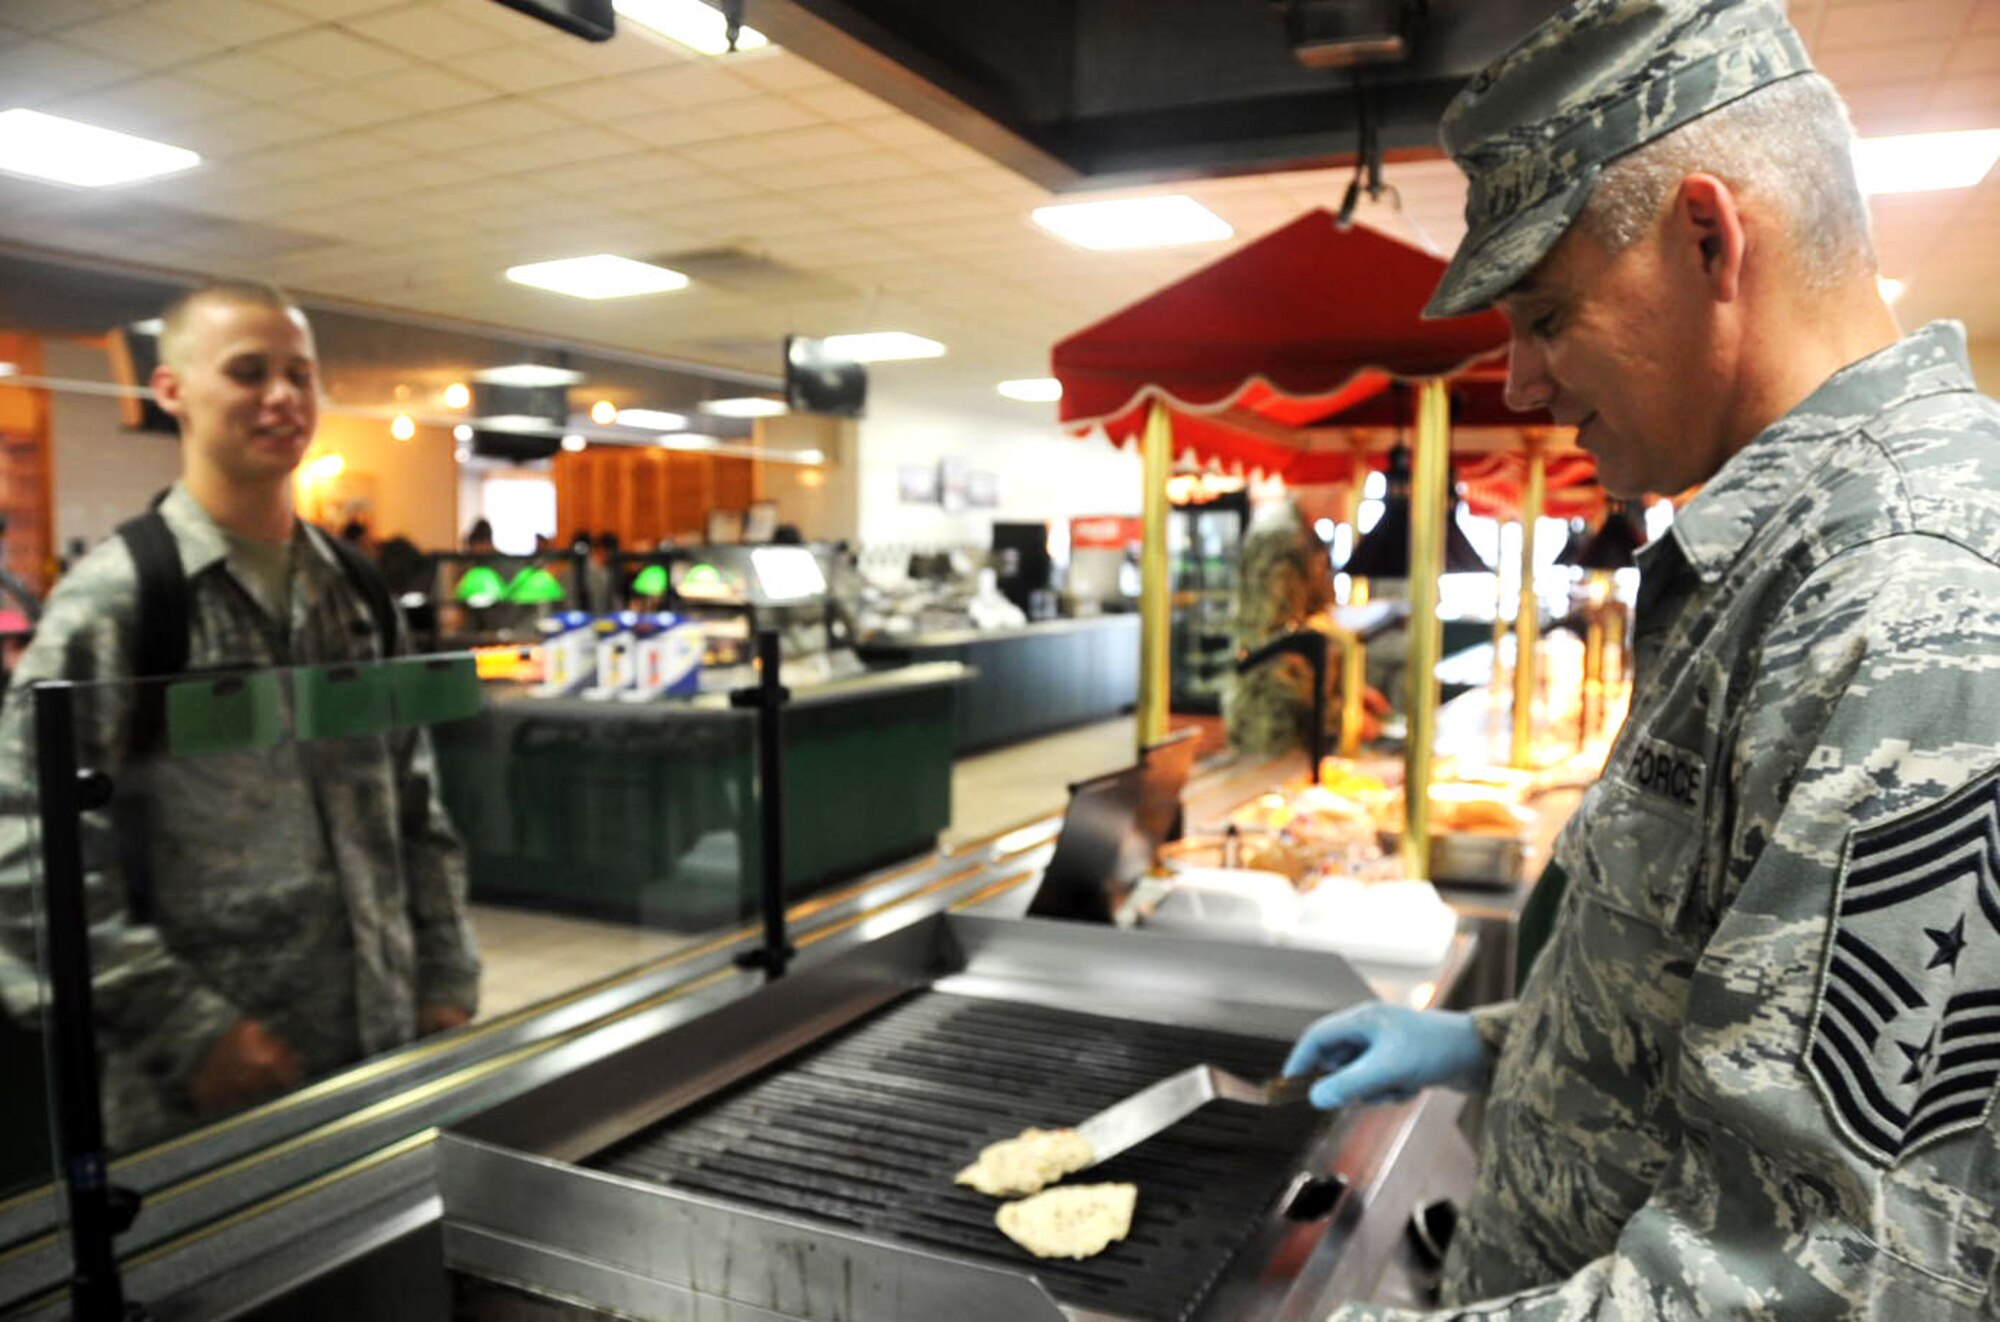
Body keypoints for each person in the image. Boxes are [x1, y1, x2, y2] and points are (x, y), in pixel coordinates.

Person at [1283, 2, 2000, 1316]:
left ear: (1710, 241)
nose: (1522, 383)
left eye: (1547, 314)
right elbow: (1715, 991)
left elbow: (1827, 1281)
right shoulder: (1787, 550)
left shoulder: (1907, 599)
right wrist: (1489, 1043)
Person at [0, 280, 481, 1152]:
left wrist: (445, 976)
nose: (283, 398)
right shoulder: (119, 603)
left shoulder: (358, 593)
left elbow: (414, 806)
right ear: (172, 390)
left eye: (300, 374)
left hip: (381, 1045)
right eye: (249, 373)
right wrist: (187, 1029)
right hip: (204, 1088)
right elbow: (23, 847)